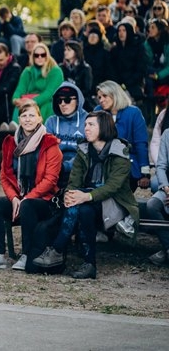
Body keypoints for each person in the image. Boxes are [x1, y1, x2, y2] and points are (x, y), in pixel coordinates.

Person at [33, 111, 139, 279]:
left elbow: (113, 187)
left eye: (91, 125)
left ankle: (58, 249)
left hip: (114, 202)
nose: (86, 128)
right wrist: (69, 195)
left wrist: (85, 196)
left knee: (83, 206)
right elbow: (74, 180)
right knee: (84, 211)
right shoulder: (83, 149)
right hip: (84, 201)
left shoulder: (120, 151)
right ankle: (89, 264)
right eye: (85, 125)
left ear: (103, 127)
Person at [0, 100, 62, 271]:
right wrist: (13, 198)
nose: (27, 119)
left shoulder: (50, 144)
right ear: (19, 119)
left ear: (40, 118)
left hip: (44, 201)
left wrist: (26, 197)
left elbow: (51, 180)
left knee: (27, 205)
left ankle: (26, 255)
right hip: (20, 198)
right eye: (24, 115)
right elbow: (5, 175)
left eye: (32, 115)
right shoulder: (11, 143)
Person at [94, 80, 150, 189]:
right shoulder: (97, 112)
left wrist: (145, 173)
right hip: (102, 165)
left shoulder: (133, 113)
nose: (101, 100)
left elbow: (141, 144)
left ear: (115, 94)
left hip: (127, 165)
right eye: (99, 97)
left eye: (105, 96)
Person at [11, 43, 63, 123]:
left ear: (47, 56)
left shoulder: (56, 71)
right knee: (20, 105)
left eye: (43, 55)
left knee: (46, 106)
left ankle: (37, 128)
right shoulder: (27, 71)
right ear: (33, 56)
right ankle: (16, 128)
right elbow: (20, 88)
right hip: (30, 99)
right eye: (36, 55)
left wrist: (32, 101)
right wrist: (16, 99)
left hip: (47, 100)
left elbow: (50, 93)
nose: (40, 57)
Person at [44, 83, 88, 178]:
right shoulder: (51, 122)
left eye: (67, 100)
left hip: (80, 168)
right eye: (59, 100)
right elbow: (46, 150)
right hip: (54, 167)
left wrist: (65, 166)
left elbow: (87, 151)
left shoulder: (88, 120)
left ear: (77, 101)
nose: (63, 104)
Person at [145, 128, 169, 265]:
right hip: (167, 189)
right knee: (152, 205)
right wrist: (165, 187)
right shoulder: (167, 133)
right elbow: (161, 166)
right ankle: (168, 247)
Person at [109, 21, 146, 100]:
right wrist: (118, 83)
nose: (121, 33)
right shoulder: (115, 50)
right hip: (117, 84)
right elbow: (111, 68)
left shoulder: (138, 48)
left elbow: (141, 68)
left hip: (134, 84)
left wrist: (127, 83)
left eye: (124, 30)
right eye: (119, 30)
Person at [59, 40, 93, 111]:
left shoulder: (85, 68)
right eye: (65, 50)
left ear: (76, 52)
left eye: (69, 50)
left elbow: (87, 90)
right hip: (64, 100)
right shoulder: (61, 67)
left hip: (82, 102)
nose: (65, 52)